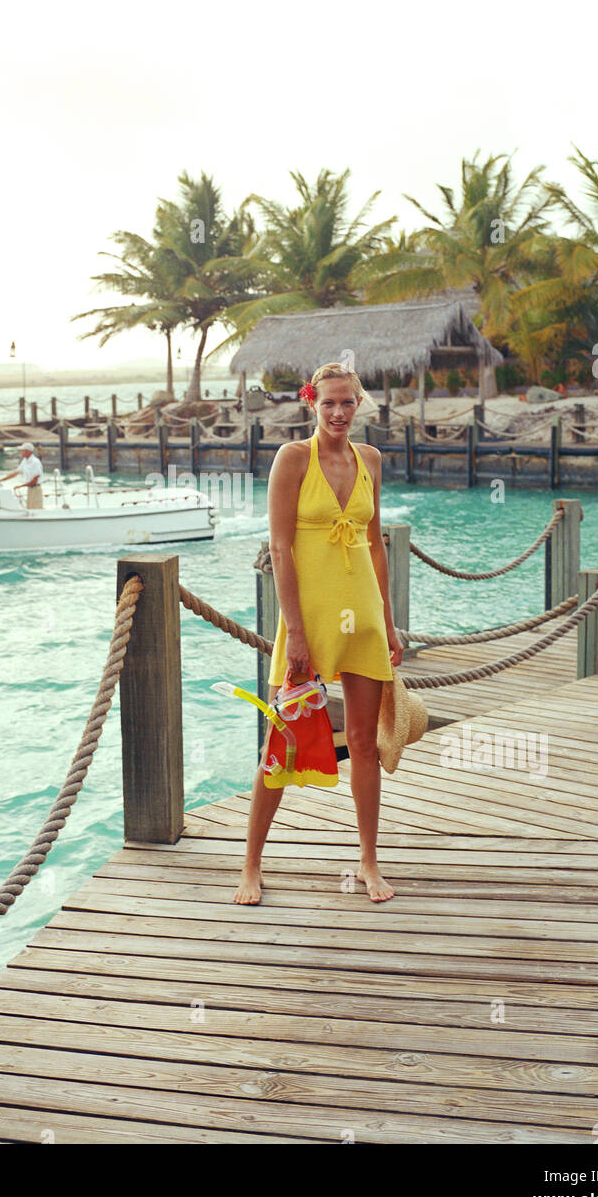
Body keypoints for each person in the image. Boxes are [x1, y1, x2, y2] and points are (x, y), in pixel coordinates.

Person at [233, 362, 404, 908]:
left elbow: (376, 546)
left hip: (363, 616)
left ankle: (369, 861)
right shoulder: (292, 459)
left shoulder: (370, 460)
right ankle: (251, 865)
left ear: (359, 404)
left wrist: (390, 622)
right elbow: (281, 549)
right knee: (283, 741)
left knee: (363, 745)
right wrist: (297, 634)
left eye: (347, 403)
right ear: (312, 403)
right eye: (328, 403)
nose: (337, 413)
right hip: (309, 616)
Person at [0, 442, 44, 509]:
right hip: (30, 489)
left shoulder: (35, 462)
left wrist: (20, 486)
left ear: (28, 451)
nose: (21, 452)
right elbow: (15, 473)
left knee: (35, 510)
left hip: (36, 490)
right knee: (30, 508)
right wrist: (0, 480)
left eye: (22, 450)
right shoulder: (25, 461)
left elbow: (34, 480)